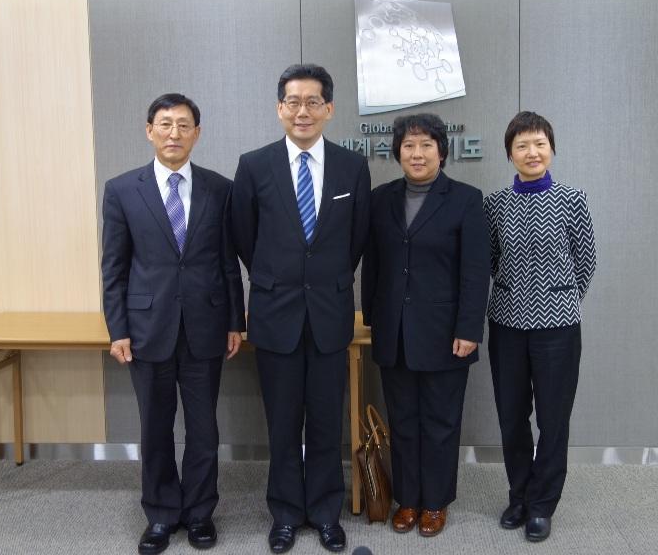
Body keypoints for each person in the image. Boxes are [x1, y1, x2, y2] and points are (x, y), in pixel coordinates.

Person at [231, 64, 371, 554]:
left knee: (329, 420)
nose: (303, 111)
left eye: (313, 102)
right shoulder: (254, 165)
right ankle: (287, 514)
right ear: (279, 109)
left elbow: (356, 241)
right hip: (276, 314)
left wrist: (322, 281)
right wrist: (278, 279)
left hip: (330, 314)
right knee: (284, 422)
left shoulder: (352, 167)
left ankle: (327, 512)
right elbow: (244, 238)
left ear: (329, 109)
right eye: (293, 101)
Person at [101, 93, 245, 554]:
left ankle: (200, 513)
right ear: (149, 130)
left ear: (197, 134)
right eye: (165, 124)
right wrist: (117, 329)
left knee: (204, 429)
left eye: (184, 125)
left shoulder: (219, 189)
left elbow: (228, 263)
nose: (174, 134)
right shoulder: (123, 189)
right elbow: (114, 268)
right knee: (155, 427)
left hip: (206, 326)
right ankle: (161, 514)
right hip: (147, 329)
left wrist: (235, 322)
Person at [361, 113, 488, 537]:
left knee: (440, 421)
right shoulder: (381, 199)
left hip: (445, 332)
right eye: (409, 146)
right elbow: (373, 267)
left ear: (441, 151)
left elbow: (475, 271)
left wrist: (469, 329)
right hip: (394, 332)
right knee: (403, 420)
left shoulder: (466, 199)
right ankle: (408, 500)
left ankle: (435, 503)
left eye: (426, 145)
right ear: (398, 151)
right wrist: (374, 323)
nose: (417, 154)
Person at [484, 111, 597, 543]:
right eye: (522, 145)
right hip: (508, 323)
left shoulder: (573, 199)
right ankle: (518, 495)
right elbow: (492, 261)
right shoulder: (494, 204)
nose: (532, 152)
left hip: (558, 327)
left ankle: (542, 505)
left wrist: (557, 297)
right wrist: (520, 293)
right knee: (512, 417)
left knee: (553, 419)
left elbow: (585, 263)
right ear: (509, 153)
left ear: (551, 148)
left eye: (539, 144)